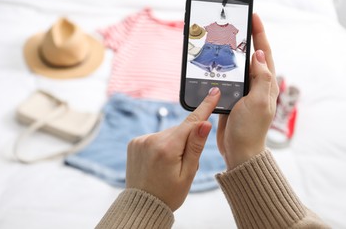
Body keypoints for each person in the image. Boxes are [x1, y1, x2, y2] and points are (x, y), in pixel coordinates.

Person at [96, 14, 329, 229]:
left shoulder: (219, 29)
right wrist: (245, 153)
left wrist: (139, 207)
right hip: (134, 107)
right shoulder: (137, 22)